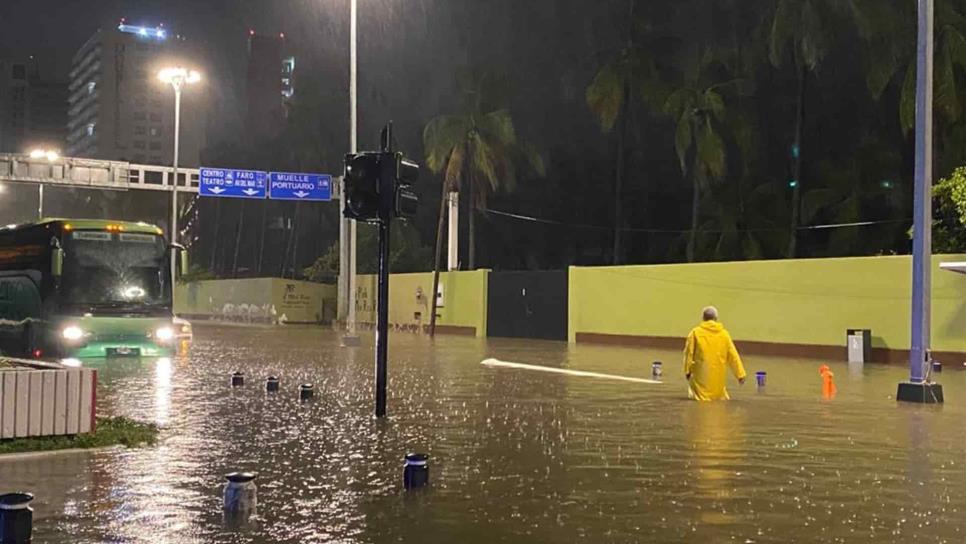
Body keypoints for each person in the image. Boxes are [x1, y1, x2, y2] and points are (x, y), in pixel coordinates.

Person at [683, 306, 747, 401]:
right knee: (719, 403)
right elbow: (733, 356)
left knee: (698, 401)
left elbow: (688, 354)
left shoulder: (695, 333)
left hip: (701, 380)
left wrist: (687, 371)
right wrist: (740, 374)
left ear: (703, 318)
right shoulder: (724, 335)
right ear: (716, 319)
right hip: (718, 383)